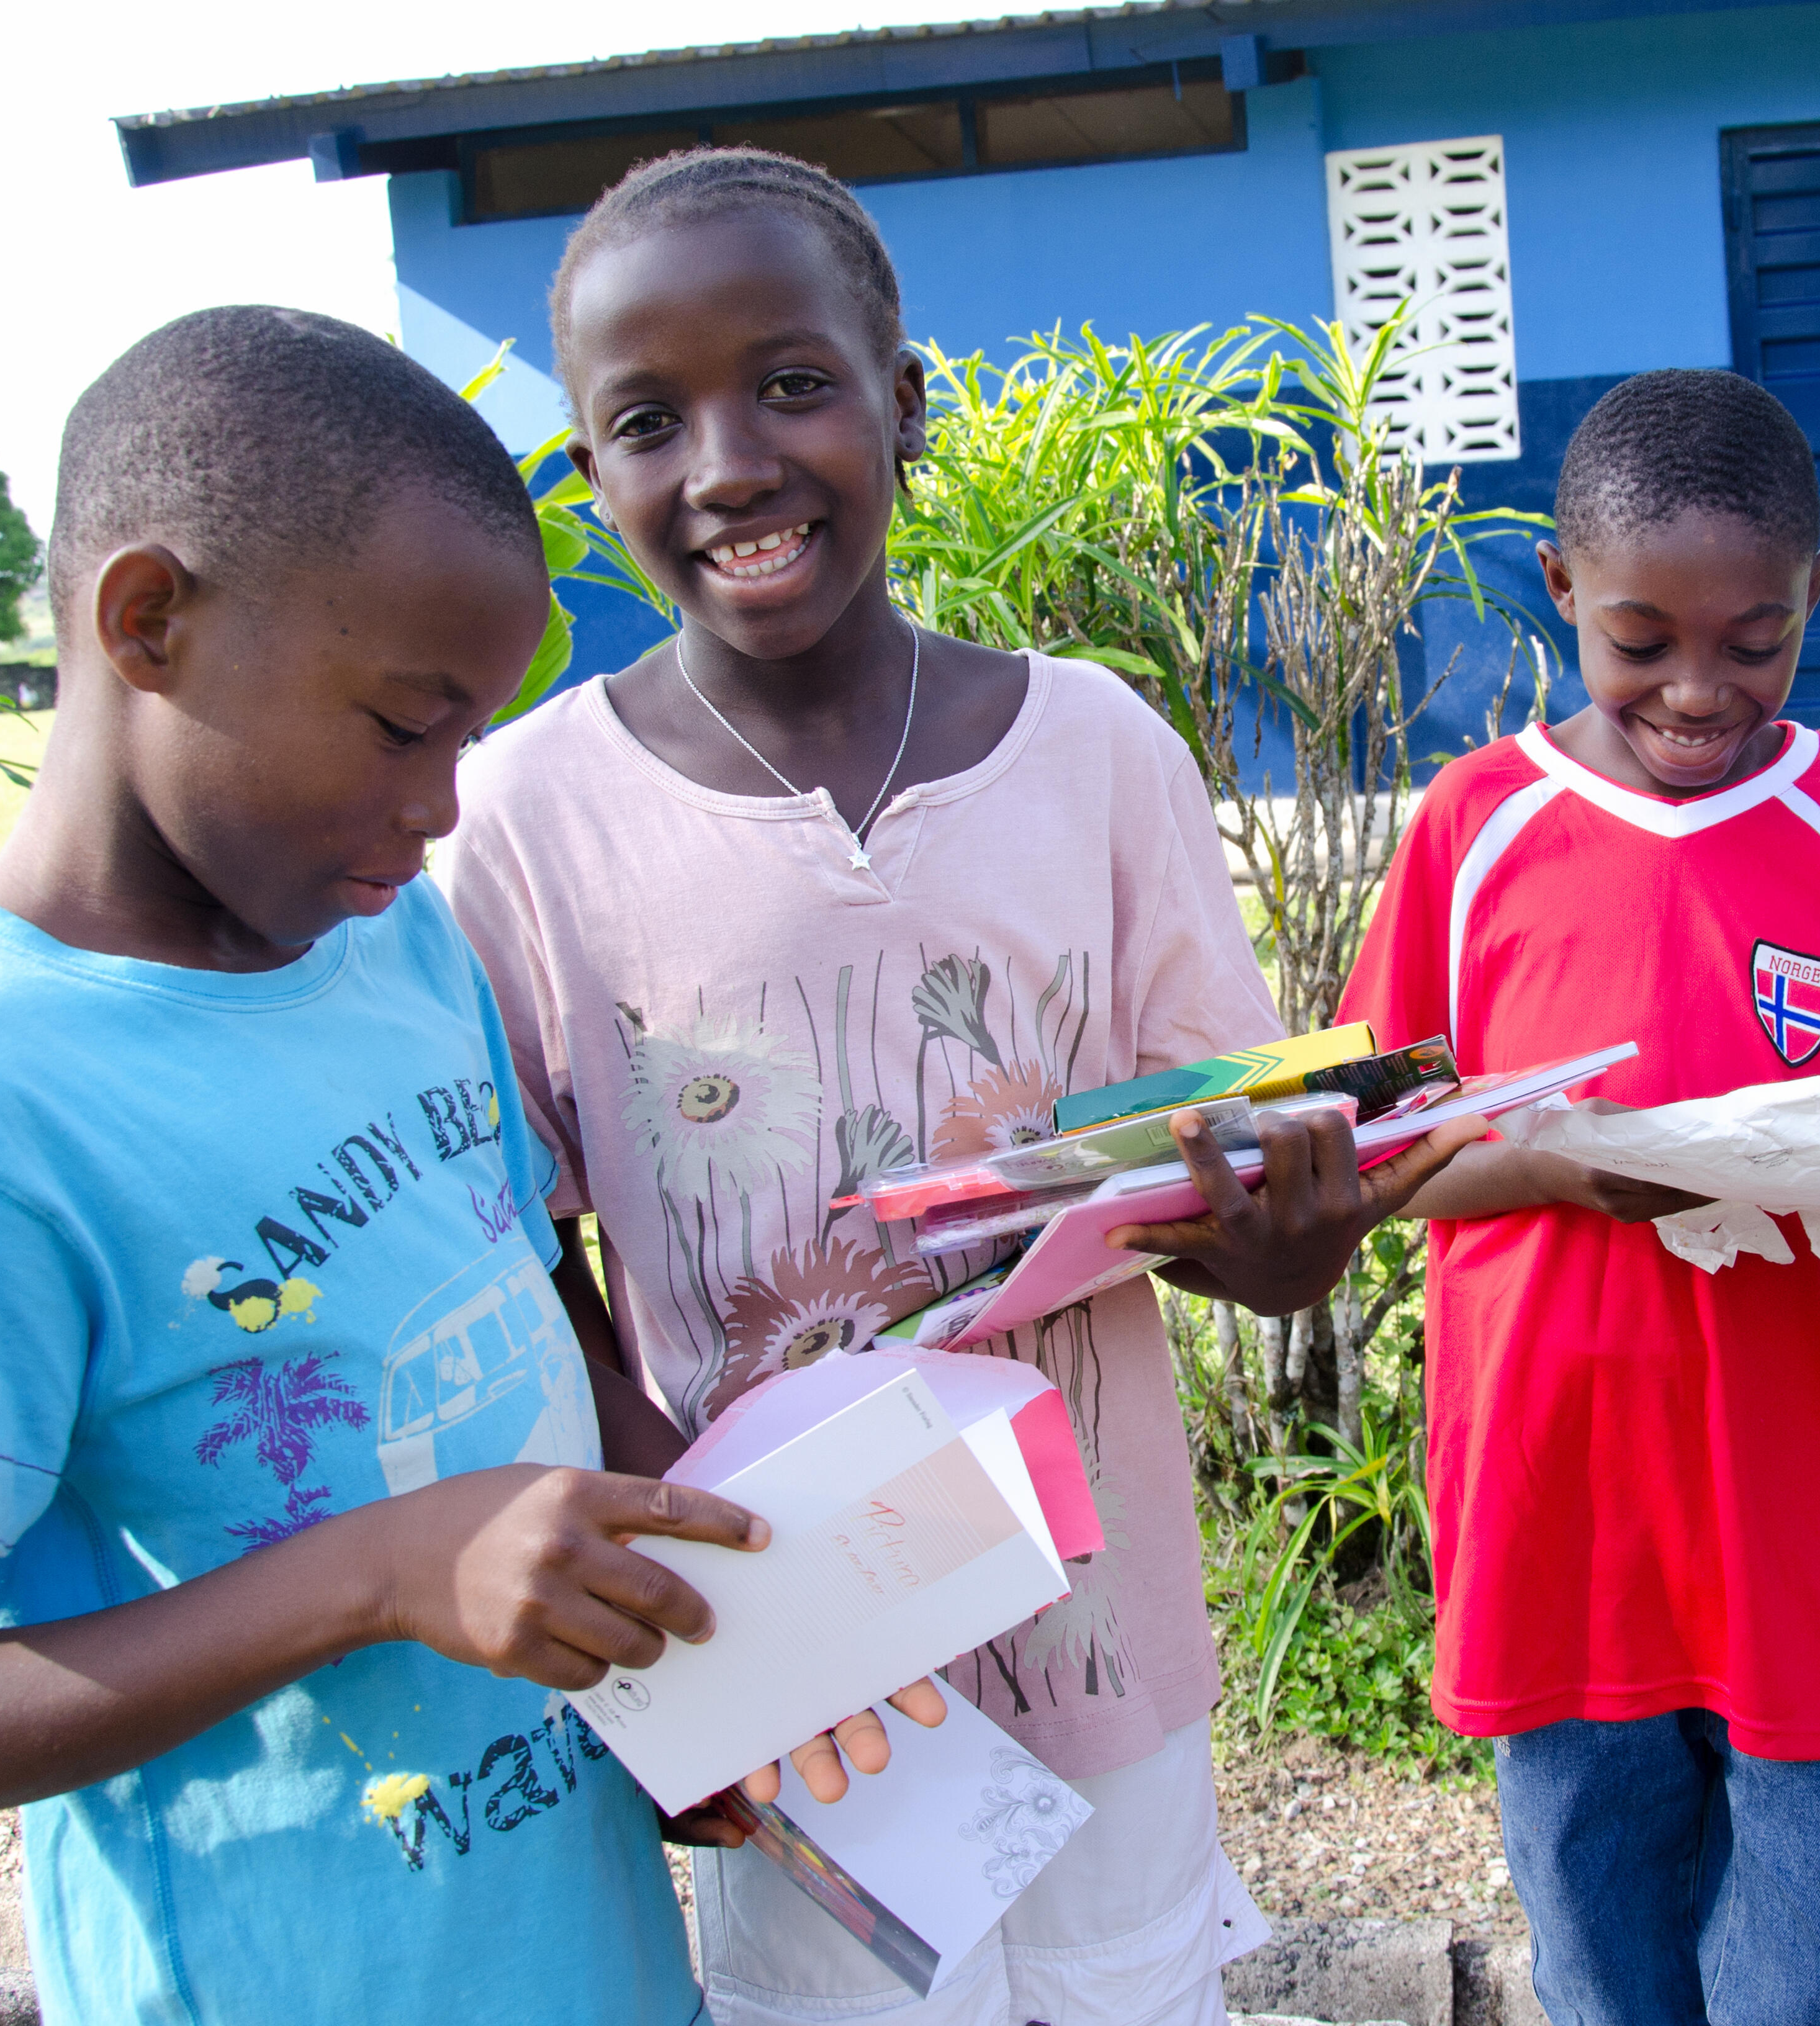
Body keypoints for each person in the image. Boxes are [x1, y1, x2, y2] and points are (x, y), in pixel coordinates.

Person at [0, 307, 930, 2026]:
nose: (445, 806)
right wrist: (387, 1571)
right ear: (149, 620)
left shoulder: (392, 944)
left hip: (590, 1964)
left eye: (472, 741)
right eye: (403, 727)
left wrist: (696, 1661)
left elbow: (533, 1291)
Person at [437, 148, 1477, 2026]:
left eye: (794, 382)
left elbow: (1201, 1169)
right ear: (588, 483)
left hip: (1094, 1647)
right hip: (793, 1671)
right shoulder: (528, 817)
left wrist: (1286, 1241)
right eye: (649, 421)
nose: (732, 463)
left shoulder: (1093, 749)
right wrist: (699, 1594)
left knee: (1128, 1993)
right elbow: (512, 1249)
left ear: (904, 404)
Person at [1335, 368, 1820, 2026]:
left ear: (1815, 592)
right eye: (1642, 640)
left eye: (1754, 640)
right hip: (1557, 1511)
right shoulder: (1475, 828)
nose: (1699, 687)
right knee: (1605, 1961)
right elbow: (1373, 1156)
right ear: (1559, 594)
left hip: (1796, 1511)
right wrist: (1557, 1165)